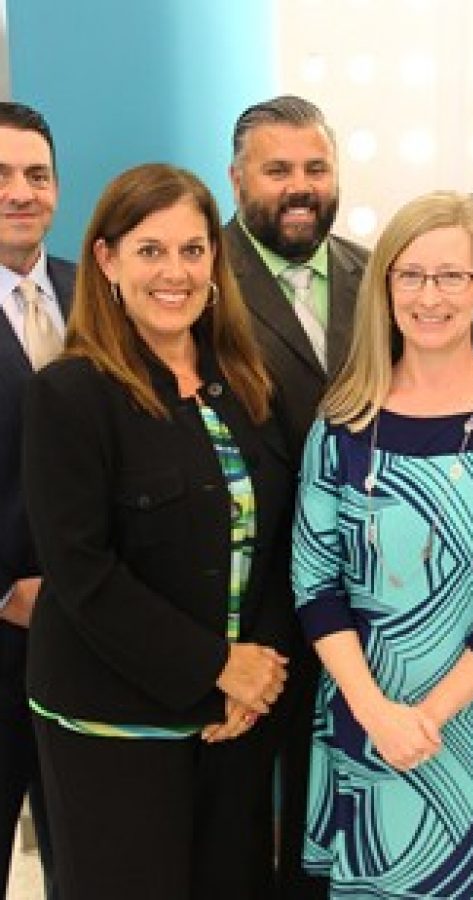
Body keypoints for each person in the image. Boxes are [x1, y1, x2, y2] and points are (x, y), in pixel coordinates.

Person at [22, 163, 293, 900]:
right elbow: (83, 574)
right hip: (113, 727)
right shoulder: (69, 395)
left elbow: (274, 541)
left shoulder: (244, 383)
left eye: (193, 250)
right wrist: (216, 665)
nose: (174, 272)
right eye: (150, 250)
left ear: (216, 262)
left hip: (233, 720)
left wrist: (255, 678)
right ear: (107, 261)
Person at [291, 191, 473, 898]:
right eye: (410, 275)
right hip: (362, 720)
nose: (429, 296)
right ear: (384, 288)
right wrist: (375, 712)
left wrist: (426, 718)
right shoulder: (343, 421)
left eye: (452, 276)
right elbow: (315, 581)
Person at [226, 95, 368, 898]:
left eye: (315, 167)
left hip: (357, 601)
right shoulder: (198, 275)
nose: (300, 186)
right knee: (238, 823)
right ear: (239, 177)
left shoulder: (372, 270)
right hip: (245, 610)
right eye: (278, 169)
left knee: (332, 816)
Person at [0, 100, 72, 900]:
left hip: (88, 638)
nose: (21, 191)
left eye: (37, 174)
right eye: (2, 175)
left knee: (83, 857)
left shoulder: (102, 293)